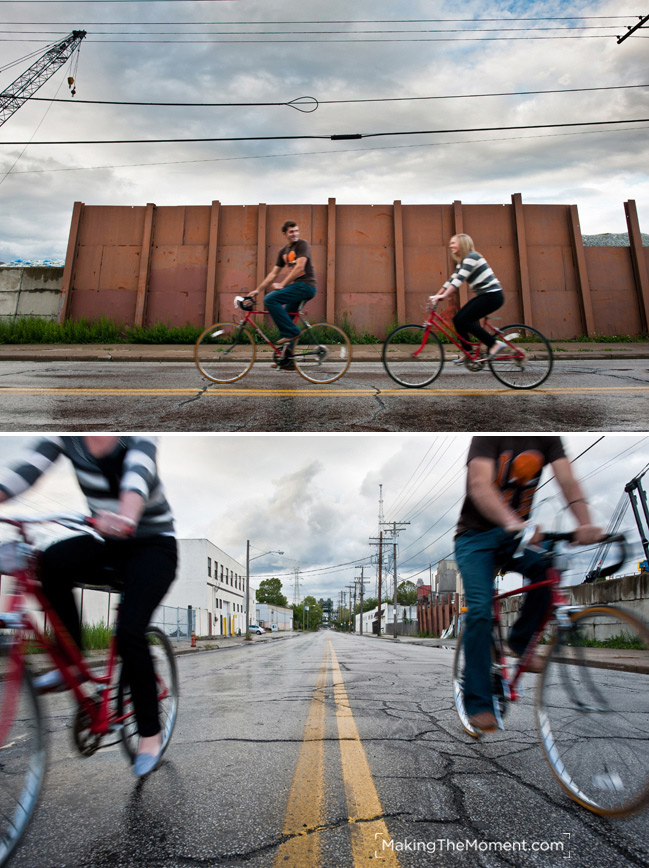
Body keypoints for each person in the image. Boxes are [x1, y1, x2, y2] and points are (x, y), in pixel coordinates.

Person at [0, 436, 177, 778]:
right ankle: (74, 661)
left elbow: (137, 475)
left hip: (153, 547)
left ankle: (150, 735)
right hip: (107, 542)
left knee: (129, 633)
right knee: (49, 561)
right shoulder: (67, 436)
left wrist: (126, 515)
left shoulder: (136, 436)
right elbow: (27, 470)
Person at [454, 436, 601, 733]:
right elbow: (480, 484)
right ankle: (479, 703)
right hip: (474, 538)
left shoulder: (548, 438)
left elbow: (568, 480)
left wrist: (585, 523)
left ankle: (520, 644)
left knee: (549, 572)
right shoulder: (489, 434)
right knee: (481, 611)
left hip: (515, 536)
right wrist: (512, 522)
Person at [248, 220, 317, 368]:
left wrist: (282, 284)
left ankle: (292, 333)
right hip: (298, 287)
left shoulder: (302, 244)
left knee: (271, 299)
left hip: (306, 285)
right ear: (285, 234)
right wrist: (258, 290)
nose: (295, 234)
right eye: (291, 232)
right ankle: (288, 360)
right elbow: (273, 274)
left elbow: (299, 267)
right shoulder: (283, 252)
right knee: (286, 316)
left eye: (296, 231)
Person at [432, 234, 506, 360]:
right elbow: (451, 280)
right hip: (486, 295)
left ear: (462, 244)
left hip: (492, 296)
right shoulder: (463, 262)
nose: (450, 246)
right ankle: (469, 353)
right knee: (458, 320)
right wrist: (437, 295)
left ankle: (494, 344)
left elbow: (459, 280)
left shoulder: (472, 257)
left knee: (463, 319)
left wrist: (444, 295)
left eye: (453, 243)